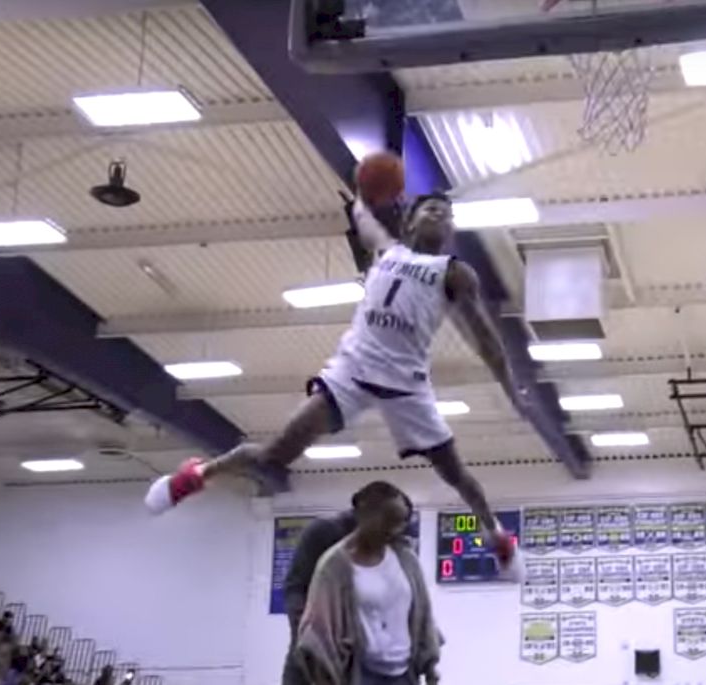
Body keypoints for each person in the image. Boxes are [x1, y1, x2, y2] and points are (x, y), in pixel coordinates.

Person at [145, 192, 528, 566]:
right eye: (432, 208)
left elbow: (487, 343)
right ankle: (195, 475)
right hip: (354, 370)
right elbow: (364, 220)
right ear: (411, 218)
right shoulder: (387, 249)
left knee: (454, 473)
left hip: (405, 383)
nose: (441, 216)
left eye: (447, 214)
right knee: (274, 454)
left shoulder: (455, 272)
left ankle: (495, 534)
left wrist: (512, 391)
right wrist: (362, 192)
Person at [294, 481, 440, 685]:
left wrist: (430, 665)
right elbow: (317, 633)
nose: (395, 529)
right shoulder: (335, 566)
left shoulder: (406, 559)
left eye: (401, 522)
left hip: (405, 673)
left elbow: (423, 614)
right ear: (364, 514)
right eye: (389, 520)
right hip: (361, 674)